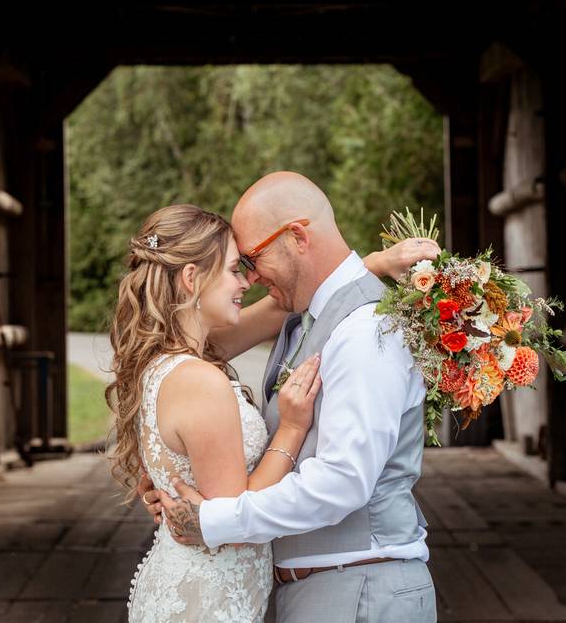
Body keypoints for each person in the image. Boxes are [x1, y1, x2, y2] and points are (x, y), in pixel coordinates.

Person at [113, 198, 438, 621]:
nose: (249, 278)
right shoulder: (195, 372)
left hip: (331, 588)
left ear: (298, 237)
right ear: (192, 279)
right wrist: (290, 429)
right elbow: (232, 506)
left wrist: (366, 268)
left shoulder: (168, 358)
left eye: (252, 259)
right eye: (236, 267)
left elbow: (286, 305)